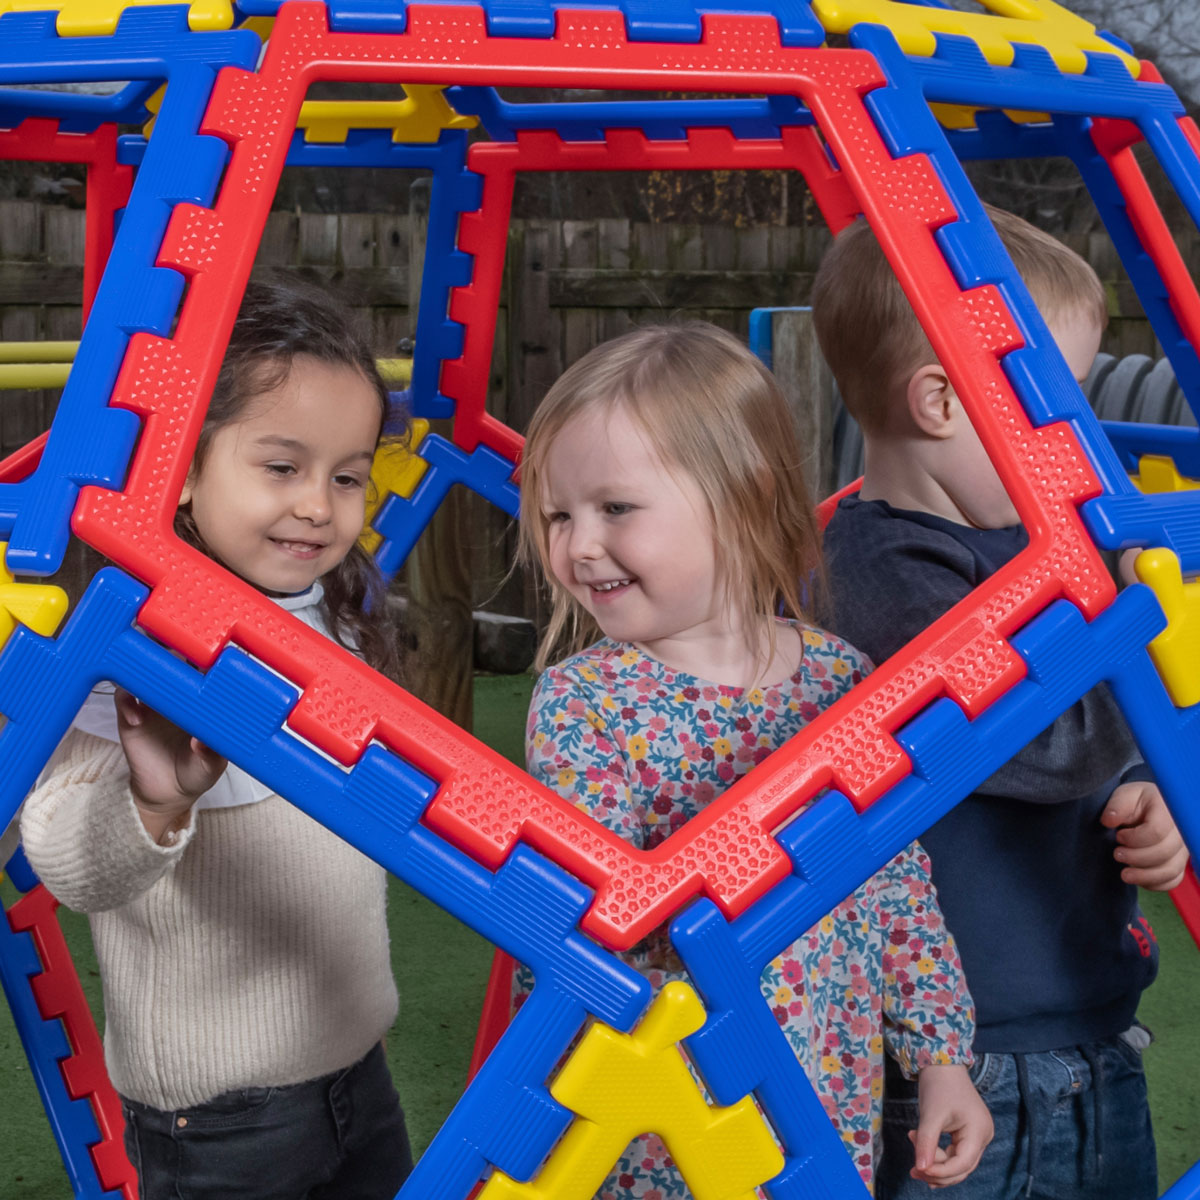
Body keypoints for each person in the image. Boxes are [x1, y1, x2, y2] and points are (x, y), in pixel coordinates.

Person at [517, 322, 993, 1197]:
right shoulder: (586, 702)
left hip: (820, 1101)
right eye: (558, 515)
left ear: (742, 494)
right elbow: (588, 924)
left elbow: (894, 886)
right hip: (666, 1120)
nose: (579, 545)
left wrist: (940, 1059)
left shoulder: (842, 680)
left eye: (615, 508)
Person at [814, 206, 1188, 1200]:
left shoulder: (1037, 555)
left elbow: (1094, 745)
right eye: (1053, 401)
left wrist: (1143, 782)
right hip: (953, 1062)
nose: (1079, 437)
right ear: (941, 401)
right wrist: (1152, 666)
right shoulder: (883, 571)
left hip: (1089, 1022)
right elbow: (1038, 739)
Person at [20, 278, 414, 1200]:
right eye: (282, 467)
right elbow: (71, 866)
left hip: (357, 1068)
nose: (320, 505)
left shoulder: (337, 620)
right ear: (184, 470)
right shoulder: (129, 651)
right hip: (225, 1119)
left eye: (347, 475)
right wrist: (156, 800)